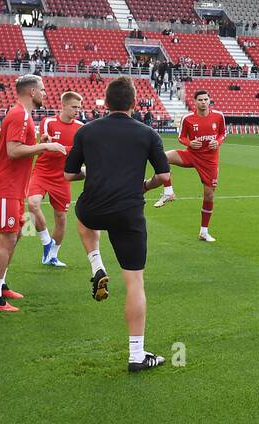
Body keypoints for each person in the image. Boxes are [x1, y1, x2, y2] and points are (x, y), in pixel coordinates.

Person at [63, 77, 172, 373]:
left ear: (106, 103)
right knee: (135, 283)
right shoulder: (148, 133)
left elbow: (69, 175)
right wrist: (145, 186)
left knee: (83, 220)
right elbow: (164, 178)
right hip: (129, 212)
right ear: (134, 104)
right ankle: (137, 355)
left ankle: (96, 263)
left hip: (93, 208)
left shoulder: (86, 131)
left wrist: (96, 172)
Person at [0, 75, 67, 312]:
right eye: (42, 89)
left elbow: (22, 149)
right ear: (31, 92)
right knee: (7, 237)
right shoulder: (19, 114)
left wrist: (40, 141)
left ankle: (1, 284)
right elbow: (13, 151)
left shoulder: (25, 116)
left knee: (16, 234)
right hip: (5, 186)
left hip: (15, 187)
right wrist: (45, 146)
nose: (45, 93)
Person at [154, 89, 226, 242]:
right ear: (195, 101)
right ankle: (168, 191)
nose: (203, 102)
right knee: (162, 157)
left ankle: (203, 232)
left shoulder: (218, 116)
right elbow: (181, 137)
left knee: (209, 195)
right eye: (200, 100)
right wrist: (189, 143)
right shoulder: (188, 119)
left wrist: (217, 142)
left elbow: (223, 134)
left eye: (206, 99)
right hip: (192, 155)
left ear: (209, 100)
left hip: (210, 161)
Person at [26, 91, 83, 268]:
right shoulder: (48, 122)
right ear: (63, 105)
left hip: (63, 176)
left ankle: (52, 256)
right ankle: (46, 242)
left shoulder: (81, 127)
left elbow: (78, 152)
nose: (77, 111)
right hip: (42, 172)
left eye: (79, 108)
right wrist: (49, 144)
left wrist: (59, 147)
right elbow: (45, 147)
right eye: (74, 107)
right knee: (32, 204)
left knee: (61, 218)